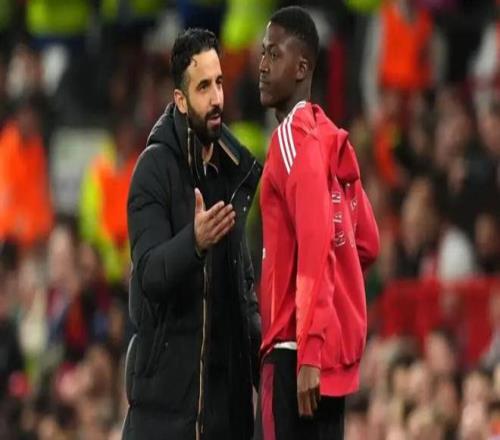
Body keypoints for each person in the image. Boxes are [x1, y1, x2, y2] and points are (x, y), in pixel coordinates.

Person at [123, 28, 262, 440]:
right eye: (203, 87)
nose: (217, 98)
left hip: (226, 415)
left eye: (219, 83)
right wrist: (194, 243)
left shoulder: (233, 174)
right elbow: (148, 275)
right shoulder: (154, 170)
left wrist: (271, 372)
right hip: (166, 414)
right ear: (180, 100)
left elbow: (244, 295)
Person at [255, 7, 380, 440]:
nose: (262, 65)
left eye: (274, 54)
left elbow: (316, 244)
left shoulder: (291, 139)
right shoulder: (330, 140)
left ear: (302, 68)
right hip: (324, 362)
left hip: (294, 356)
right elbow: (365, 243)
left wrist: (309, 349)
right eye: (263, 53)